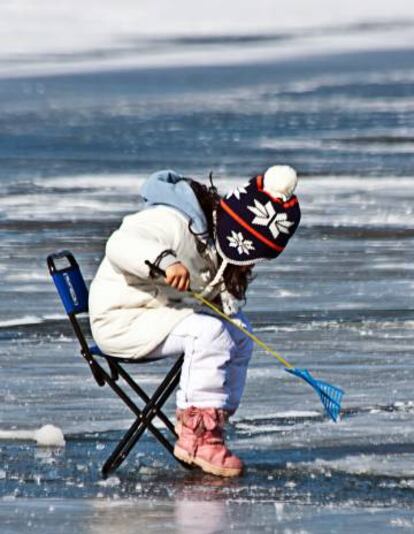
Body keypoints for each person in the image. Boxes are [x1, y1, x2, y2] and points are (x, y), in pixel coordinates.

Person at [89, 165, 301, 477]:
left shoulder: (212, 242)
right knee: (209, 332)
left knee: (238, 330)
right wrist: (165, 261)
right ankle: (197, 436)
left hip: (157, 314)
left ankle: (213, 419)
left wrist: (226, 302)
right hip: (122, 319)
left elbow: (212, 289)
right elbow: (120, 244)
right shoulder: (171, 219)